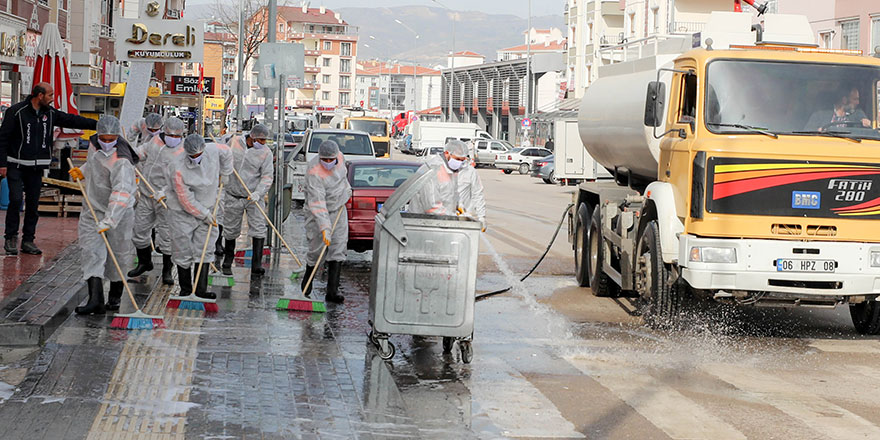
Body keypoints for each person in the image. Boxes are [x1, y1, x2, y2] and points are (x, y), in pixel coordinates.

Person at [0, 82, 98, 255]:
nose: (52, 99)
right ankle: (11, 237)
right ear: (40, 96)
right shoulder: (16, 111)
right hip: (16, 163)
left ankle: (28, 240)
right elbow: (3, 138)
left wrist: (97, 124)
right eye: (50, 95)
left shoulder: (49, 113)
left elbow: (72, 119)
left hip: (36, 167)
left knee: (32, 204)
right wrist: (2, 164)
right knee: (15, 200)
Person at [67, 115, 138, 314]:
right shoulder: (94, 145)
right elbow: (94, 165)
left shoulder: (122, 161)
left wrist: (110, 219)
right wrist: (82, 171)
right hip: (93, 208)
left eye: (111, 139)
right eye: (103, 139)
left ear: (117, 136)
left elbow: (122, 192)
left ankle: (115, 297)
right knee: (91, 251)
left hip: (119, 214)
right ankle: (95, 299)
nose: (106, 143)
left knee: (119, 255)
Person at [163, 134, 233, 299]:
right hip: (181, 212)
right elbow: (184, 198)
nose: (196, 158)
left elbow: (228, 152)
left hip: (208, 204)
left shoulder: (213, 150)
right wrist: (204, 214)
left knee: (205, 248)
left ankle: (200, 290)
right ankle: (186, 290)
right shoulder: (177, 166)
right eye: (192, 156)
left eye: (198, 155)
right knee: (182, 249)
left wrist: (226, 172)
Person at [127, 117, 186, 285]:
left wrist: (166, 192)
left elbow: (183, 178)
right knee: (139, 231)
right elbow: (139, 153)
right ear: (164, 131)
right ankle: (145, 262)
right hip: (147, 194)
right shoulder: (154, 143)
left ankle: (167, 270)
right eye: (170, 134)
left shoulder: (182, 152)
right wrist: (128, 155)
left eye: (177, 135)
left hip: (167, 199)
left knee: (166, 235)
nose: (173, 138)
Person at [220, 124, 274, 276]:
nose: (263, 143)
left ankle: (257, 264)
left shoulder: (266, 153)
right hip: (233, 193)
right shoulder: (235, 142)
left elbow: (267, 176)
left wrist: (259, 192)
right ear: (252, 137)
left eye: (264, 140)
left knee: (258, 228)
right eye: (261, 140)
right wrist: (223, 171)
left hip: (253, 196)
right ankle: (228, 259)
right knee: (230, 229)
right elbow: (222, 154)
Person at [302, 140, 351, 303]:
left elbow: (343, 179)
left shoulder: (341, 158)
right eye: (325, 160)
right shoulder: (314, 171)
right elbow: (317, 202)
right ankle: (307, 282)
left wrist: (347, 192)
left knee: (338, 246)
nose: (328, 163)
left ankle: (332, 291)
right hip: (317, 213)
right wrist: (325, 228)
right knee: (317, 249)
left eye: (331, 160)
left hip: (338, 209)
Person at [409, 140, 487, 231]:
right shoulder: (433, 169)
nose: (459, 163)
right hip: (421, 224)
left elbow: (452, 194)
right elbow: (432, 206)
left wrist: (460, 208)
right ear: (447, 153)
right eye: (457, 159)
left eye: (462, 160)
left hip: (441, 223)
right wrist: (455, 218)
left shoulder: (452, 170)